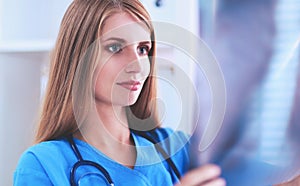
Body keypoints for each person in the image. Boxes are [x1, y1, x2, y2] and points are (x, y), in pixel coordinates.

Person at [13, 0, 225, 185]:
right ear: (78, 59)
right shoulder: (43, 165)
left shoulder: (176, 150)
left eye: (143, 49)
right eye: (115, 48)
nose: (137, 66)